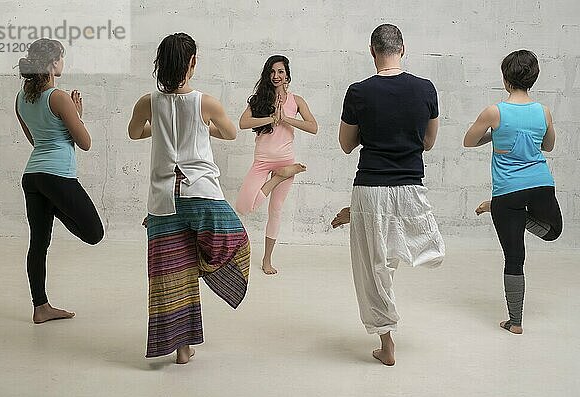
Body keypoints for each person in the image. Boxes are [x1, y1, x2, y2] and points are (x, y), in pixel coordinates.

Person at [128, 33, 250, 364]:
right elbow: (230, 133)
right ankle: (187, 340)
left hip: (162, 200)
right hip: (200, 194)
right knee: (235, 242)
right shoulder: (205, 103)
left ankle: (179, 348)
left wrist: (163, 128)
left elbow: (134, 132)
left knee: (169, 275)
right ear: (192, 63)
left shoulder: (147, 102)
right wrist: (200, 126)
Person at [337, 24, 444, 365]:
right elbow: (428, 142)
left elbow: (346, 144)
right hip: (412, 188)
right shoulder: (426, 89)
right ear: (403, 48)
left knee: (373, 269)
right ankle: (388, 323)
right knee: (392, 258)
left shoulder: (359, 92)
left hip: (371, 188)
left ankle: (386, 342)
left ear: (372, 52)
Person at [464, 50, 562, 335]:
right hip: (541, 183)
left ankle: (515, 321)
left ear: (505, 80)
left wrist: (495, 133)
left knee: (515, 257)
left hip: (508, 191)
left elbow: (469, 141)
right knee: (553, 231)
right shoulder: (543, 111)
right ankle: (514, 321)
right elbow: (548, 146)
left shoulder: (495, 112)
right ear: (533, 79)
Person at [15, 38, 104, 324]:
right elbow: (85, 142)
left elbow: (35, 140)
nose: (63, 62)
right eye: (61, 57)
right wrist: (77, 116)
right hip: (57, 176)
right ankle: (54, 206)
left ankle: (40, 307)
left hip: (33, 176)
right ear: (53, 62)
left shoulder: (21, 98)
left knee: (38, 242)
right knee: (94, 233)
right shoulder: (59, 97)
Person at [235, 55, 318, 275]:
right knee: (244, 207)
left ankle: (267, 260)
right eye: (272, 72)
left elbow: (313, 127)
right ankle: (280, 176)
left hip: (285, 159)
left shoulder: (296, 101)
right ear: (267, 74)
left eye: (280, 72)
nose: (276, 76)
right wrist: (271, 118)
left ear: (287, 75)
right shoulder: (259, 100)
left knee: (276, 210)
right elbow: (243, 123)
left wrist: (286, 119)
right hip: (262, 161)